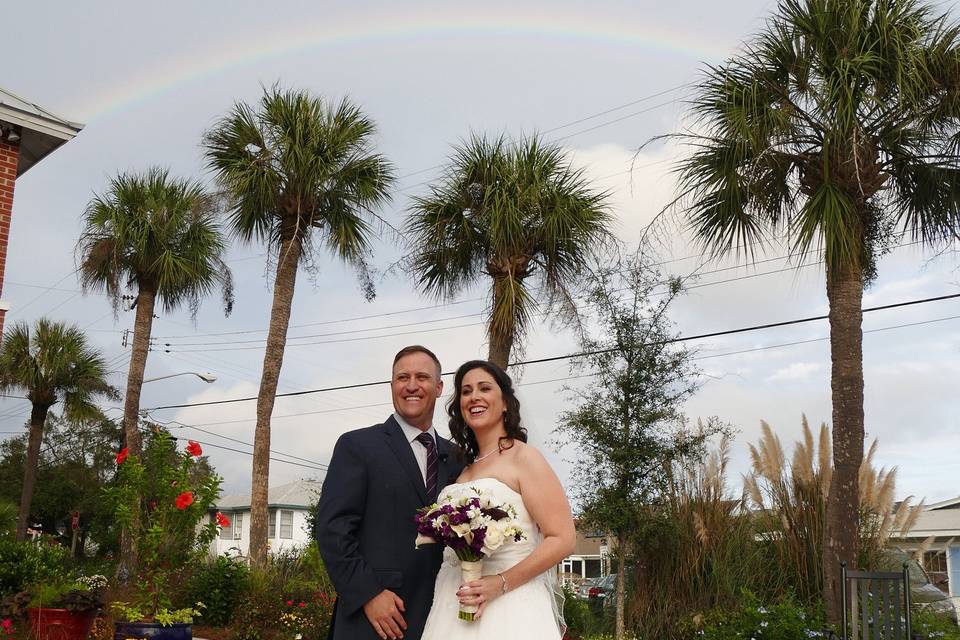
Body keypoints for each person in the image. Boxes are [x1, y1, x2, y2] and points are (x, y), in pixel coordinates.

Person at [316, 345, 464, 640]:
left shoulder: (458, 458)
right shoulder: (357, 446)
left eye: (422, 377)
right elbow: (332, 530)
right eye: (402, 377)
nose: (411, 385)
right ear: (392, 385)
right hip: (375, 621)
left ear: (438, 387)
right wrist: (368, 594)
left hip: (443, 619)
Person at [421, 360, 576, 639]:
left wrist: (500, 583)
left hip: (510, 606)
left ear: (505, 402)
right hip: (452, 600)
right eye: (466, 392)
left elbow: (562, 538)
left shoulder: (524, 458)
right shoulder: (464, 468)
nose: (474, 397)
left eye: (484, 388)